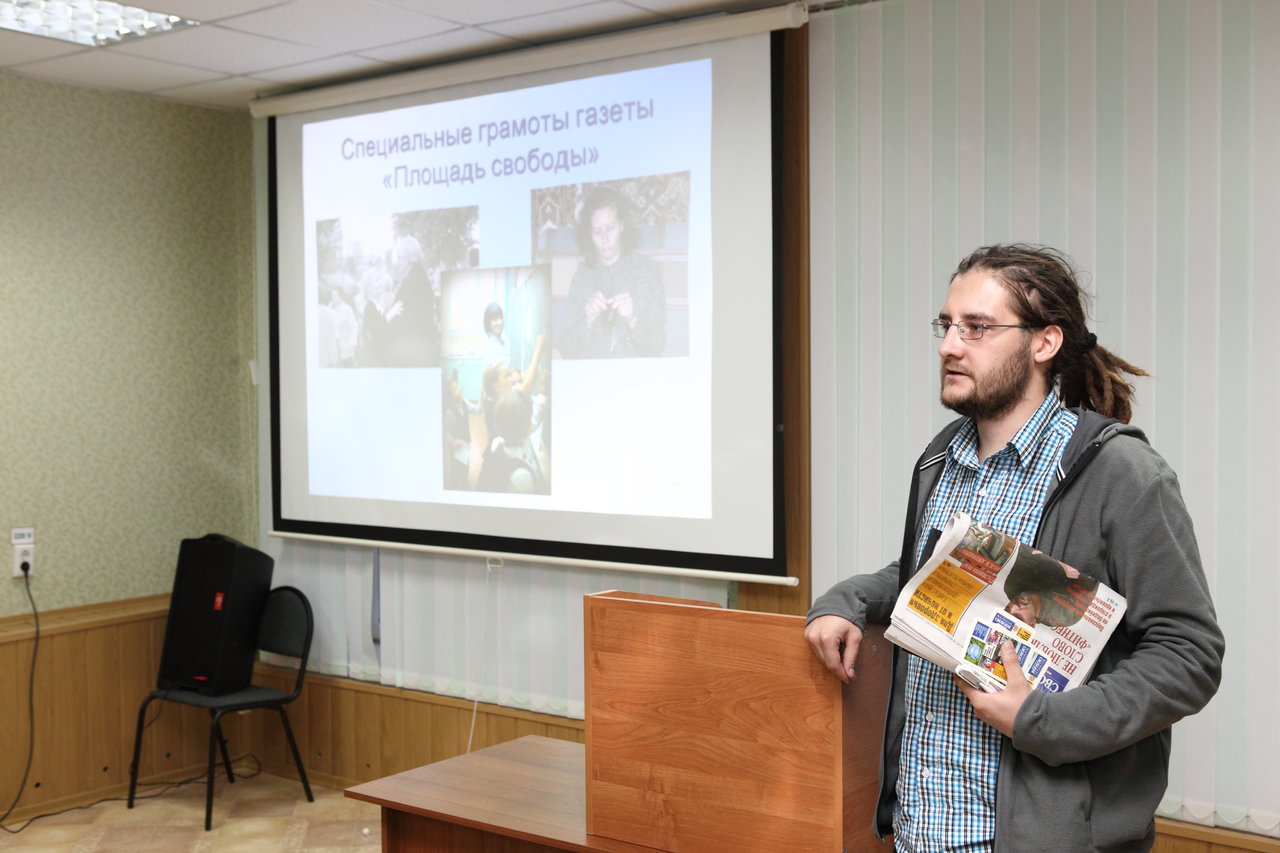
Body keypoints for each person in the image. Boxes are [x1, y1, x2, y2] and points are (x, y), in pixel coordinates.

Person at [804, 245, 1224, 853]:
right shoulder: (941, 458)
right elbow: (935, 578)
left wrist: (1042, 720)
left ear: (1044, 342)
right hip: (922, 829)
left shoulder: (1123, 474)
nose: (950, 346)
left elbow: (1189, 654)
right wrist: (848, 599)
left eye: (977, 327)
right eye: (947, 325)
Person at [560, 187, 665, 358]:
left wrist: (633, 319)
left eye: (610, 228)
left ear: (622, 225)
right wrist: (587, 320)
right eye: (597, 231)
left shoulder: (647, 271)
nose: (605, 238)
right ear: (589, 234)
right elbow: (566, 350)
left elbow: (657, 347)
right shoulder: (581, 278)